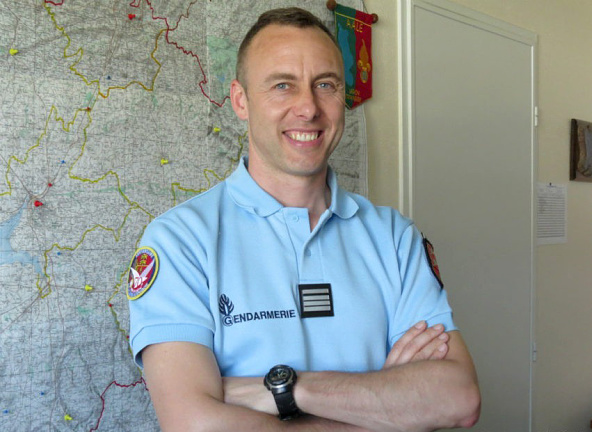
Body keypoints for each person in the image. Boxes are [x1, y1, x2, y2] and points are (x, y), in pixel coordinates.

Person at [127, 7, 480, 431]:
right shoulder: (180, 241)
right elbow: (193, 424)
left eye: (325, 85)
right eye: (282, 85)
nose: (308, 108)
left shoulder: (394, 236)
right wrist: (387, 408)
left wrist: (285, 389)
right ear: (241, 100)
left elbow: (457, 398)